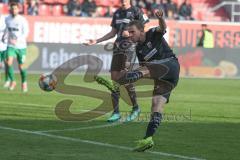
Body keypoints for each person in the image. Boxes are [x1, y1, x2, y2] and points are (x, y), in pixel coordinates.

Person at [100, 10, 180, 151]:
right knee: (156, 105)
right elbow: (143, 68)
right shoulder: (139, 49)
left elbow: (163, 28)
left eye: (132, 32)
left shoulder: (152, 33)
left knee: (143, 70)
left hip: (170, 65)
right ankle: (147, 139)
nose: (129, 35)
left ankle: (117, 84)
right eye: (128, 32)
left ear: (141, 31)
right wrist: (127, 68)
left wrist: (161, 18)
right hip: (164, 78)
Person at [84, 0, 149, 122]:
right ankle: (116, 112)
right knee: (114, 79)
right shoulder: (117, 12)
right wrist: (96, 41)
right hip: (117, 47)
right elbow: (113, 32)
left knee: (125, 77)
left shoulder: (136, 11)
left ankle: (135, 108)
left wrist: (130, 33)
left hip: (130, 47)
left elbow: (143, 29)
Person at [5, 2, 29, 92]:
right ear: (10, 9)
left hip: (21, 46)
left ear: (18, 9)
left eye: (15, 8)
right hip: (11, 45)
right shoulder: (7, 19)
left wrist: (18, 39)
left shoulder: (22, 20)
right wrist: (5, 37)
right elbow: (6, 30)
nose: (13, 10)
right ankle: (13, 81)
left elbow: (26, 32)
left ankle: (24, 82)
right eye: (12, 8)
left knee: (21, 67)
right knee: (8, 62)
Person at [0, 13, 9, 86]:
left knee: (6, 64)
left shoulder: (5, 18)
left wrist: (5, 36)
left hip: (4, 46)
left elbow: (8, 29)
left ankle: (7, 80)